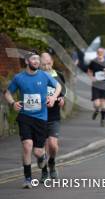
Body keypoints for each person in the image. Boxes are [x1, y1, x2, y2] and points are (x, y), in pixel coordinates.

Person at [4, 50, 62, 188]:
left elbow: (58, 86)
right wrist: (13, 103)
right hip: (25, 116)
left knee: (37, 151)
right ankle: (28, 178)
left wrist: (53, 97)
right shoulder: (19, 78)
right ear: (26, 61)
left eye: (37, 59)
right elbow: (7, 93)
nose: (36, 61)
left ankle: (42, 158)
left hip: (41, 118)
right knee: (27, 145)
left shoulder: (44, 76)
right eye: (33, 59)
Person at [39, 52, 66, 182]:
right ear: (40, 64)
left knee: (53, 145)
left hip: (54, 115)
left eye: (49, 63)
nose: (47, 66)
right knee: (42, 147)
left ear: (52, 63)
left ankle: (52, 162)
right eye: (43, 64)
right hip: (38, 115)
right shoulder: (36, 76)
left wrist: (61, 98)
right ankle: (44, 171)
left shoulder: (58, 75)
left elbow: (63, 92)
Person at [87, 48, 105, 126]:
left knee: (104, 104)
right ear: (97, 53)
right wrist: (92, 78)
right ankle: (96, 110)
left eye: (102, 52)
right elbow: (89, 71)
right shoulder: (93, 62)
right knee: (96, 104)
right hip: (96, 85)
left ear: (104, 53)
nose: (100, 53)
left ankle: (103, 119)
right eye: (99, 52)